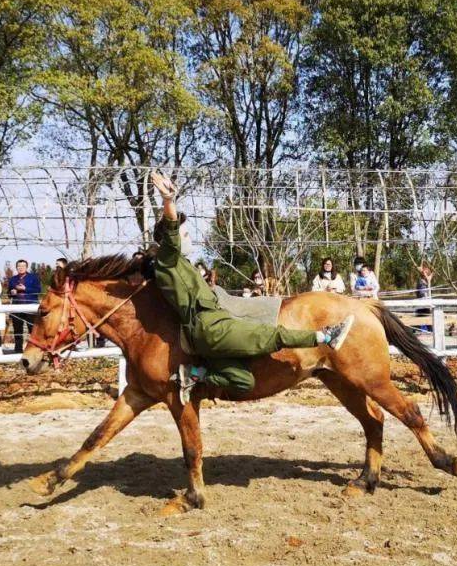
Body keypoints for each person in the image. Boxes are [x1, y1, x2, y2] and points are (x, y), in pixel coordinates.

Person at [147, 171, 355, 405]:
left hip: (209, 330)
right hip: (210, 326)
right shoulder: (167, 259)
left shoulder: (180, 264)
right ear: (169, 241)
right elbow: (172, 229)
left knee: (243, 382)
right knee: (268, 335)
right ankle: (325, 336)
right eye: (185, 234)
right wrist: (168, 200)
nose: (189, 237)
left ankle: (194, 375)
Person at [8, 259, 42, 354]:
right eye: (19, 266)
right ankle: (18, 350)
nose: (21, 268)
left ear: (27, 267)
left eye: (23, 266)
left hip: (30, 306)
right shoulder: (13, 279)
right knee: (17, 329)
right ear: (16, 267)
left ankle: (34, 349)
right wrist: (12, 292)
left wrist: (25, 288)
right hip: (16, 307)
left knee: (32, 329)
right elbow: (8, 293)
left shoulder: (34, 277)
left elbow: (38, 290)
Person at [415, 263, 434, 331]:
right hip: (423, 306)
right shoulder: (421, 283)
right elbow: (422, 295)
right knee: (424, 323)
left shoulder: (424, 283)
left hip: (423, 306)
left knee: (423, 323)